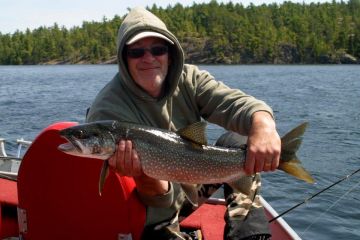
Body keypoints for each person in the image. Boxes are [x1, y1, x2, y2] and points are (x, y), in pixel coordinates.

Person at [86, 7, 281, 240]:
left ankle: (249, 236)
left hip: (192, 180)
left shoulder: (189, 79)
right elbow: (153, 199)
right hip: (148, 212)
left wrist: (263, 125)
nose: (148, 58)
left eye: (157, 49)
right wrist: (144, 175)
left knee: (240, 140)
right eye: (136, 52)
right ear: (124, 58)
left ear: (170, 53)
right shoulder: (108, 111)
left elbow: (236, 105)